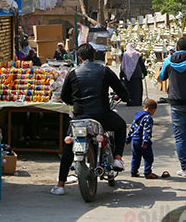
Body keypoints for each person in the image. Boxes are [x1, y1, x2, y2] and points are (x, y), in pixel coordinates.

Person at [51, 43, 130, 195]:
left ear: (79, 58)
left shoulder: (73, 72)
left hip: (79, 118)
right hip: (102, 117)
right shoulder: (105, 70)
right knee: (120, 126)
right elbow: (120, 89)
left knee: (68, 146)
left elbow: (64, 97)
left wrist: (74, 103)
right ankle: (117, 157)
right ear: (94, 56)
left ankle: (60, 185)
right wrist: (126, 97)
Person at [159, 37, 186, 178]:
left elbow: (162, 76)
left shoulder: (169, 60)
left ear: (177, 47)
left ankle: (184, 167)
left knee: (180, 137)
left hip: (176, 102)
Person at [126, 99, 158, 179]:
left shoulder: (137, 116)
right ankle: (147, 173)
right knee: (148, 157)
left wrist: (128, 138)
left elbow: (132, 128)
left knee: (135, 157)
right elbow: (146, 130)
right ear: (152, 109)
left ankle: (133, 171)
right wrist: (145, 141)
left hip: (134, 140)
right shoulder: (148, 118)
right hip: (141, 140)